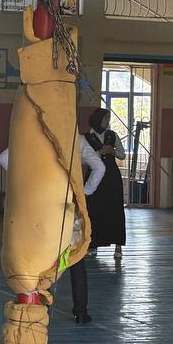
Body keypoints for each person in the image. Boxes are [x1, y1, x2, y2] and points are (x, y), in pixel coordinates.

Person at [66, 136, 108, 324]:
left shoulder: (39, 133)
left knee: (47, 260)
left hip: (45, 207)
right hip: (72, 205)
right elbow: (100, 167)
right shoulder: (78, 139)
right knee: (75, 259)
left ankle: (42, 306)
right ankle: (81, 311)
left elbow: (3, 158)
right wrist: (85, 193)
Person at [84, 108, 127, 260]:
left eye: (109, 118)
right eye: (106, 118)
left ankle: (118, 246)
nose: (108, 121)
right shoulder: (86, 137)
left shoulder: (112, 135)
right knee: (93, 208)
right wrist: (98, 154)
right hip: (94, 177)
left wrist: (112, 151)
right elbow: (82, 158)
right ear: (98, 119)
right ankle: (93, 244)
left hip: (111, 177)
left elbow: (122, 155)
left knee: (115, 208)